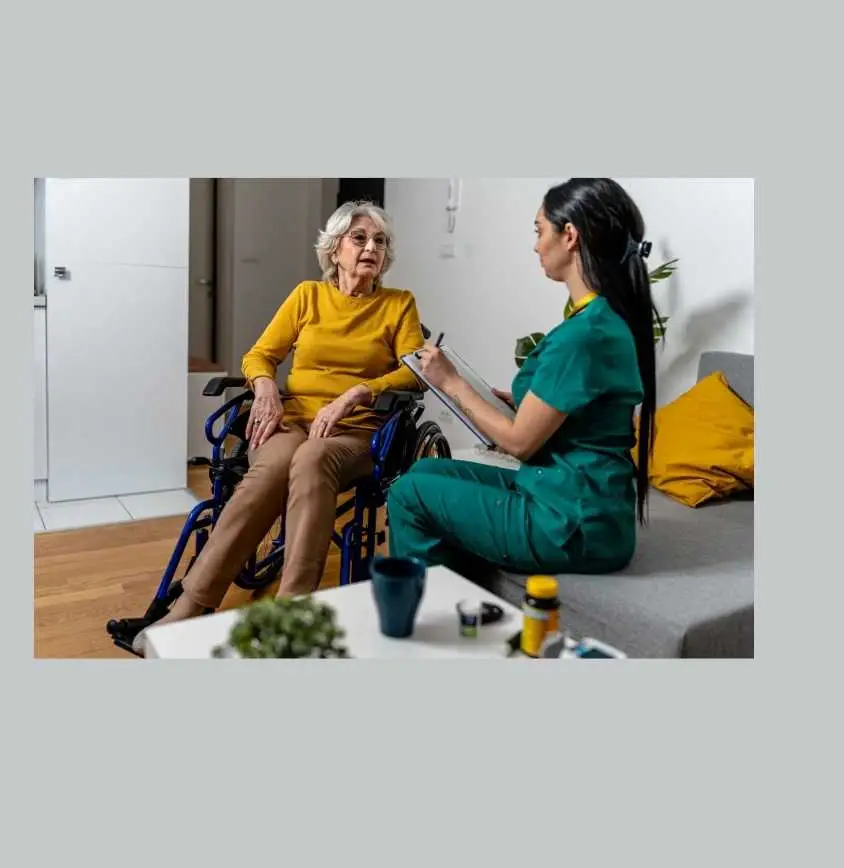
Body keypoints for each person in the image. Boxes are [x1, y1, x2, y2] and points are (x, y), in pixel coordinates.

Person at [132, 201, 425, 654]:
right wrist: (266, 387)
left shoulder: (398, 305)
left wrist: (357, 393)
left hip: (356, 433)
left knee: (312, 457)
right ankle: (192, 603)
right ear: (335, 249)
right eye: (360, 238)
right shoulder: (307, 295)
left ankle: (291, 615)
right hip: (293, 419)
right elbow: (259, 354)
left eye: (380, 241)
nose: (371, 248)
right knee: (271, 468)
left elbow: (412, 371)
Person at [386, 178, 660, 579]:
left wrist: (453, 384)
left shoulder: (585, 334)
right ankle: (463, 601)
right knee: (425, 472)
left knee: (407, 494)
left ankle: (430, 616)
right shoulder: (599, 320)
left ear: (569, 235)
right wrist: (523, 407)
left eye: (539, 230)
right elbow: (586, 414)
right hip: (573, 500)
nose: (535, 244)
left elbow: (518, 443)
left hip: (572, 522)